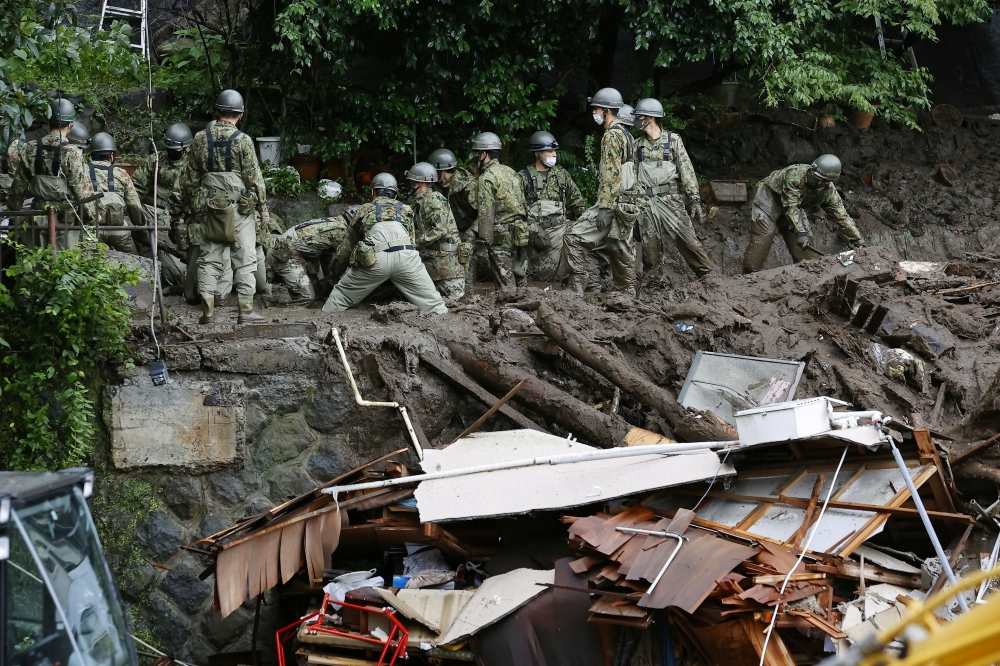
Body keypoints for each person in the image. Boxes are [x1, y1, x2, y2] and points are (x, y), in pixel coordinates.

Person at [174, 89, 269, 324]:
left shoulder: (199, 139)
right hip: (239, 210)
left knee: (209, 258)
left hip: (211, 209)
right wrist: (262, 207)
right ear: (240, 114)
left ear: (217, 111)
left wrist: (188, 206)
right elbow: (253, 177)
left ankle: (208, 311)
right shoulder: (243, 141)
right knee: (245, 258)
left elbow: (189, 179)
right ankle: (245, 311)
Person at [322, 173, 447, 314]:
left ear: (372, 192)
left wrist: (333, 277)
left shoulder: (364, 209)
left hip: (375, 261)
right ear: (395, 196)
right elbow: (412, 242)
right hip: (406, 259)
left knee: (340, 297)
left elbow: (346, 248)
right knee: (435, 305)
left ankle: (325, 321)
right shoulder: (406, 209)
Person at [562, 87, 640, 295]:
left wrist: (605, 208)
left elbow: (611, 175)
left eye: (596, 108)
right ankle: (626, 295)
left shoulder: (611, 136)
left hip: (613, 201)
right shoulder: (627, 135)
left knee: (573, 237)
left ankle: (576, 289)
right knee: (620, 247)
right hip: (627, 201)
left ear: (606, 111)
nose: (594, 113)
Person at [742, 154, 865, 273]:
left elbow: (841, 216)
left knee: (806, 253)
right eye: (813, 173)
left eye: (818, 178)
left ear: (827, 182)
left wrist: (858, 241)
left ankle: (808, 280)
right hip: (770, 197)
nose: (813, 176)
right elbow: (791, 206)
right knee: (763, 239)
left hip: (795, 205)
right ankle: (747, 278)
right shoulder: (795, 176)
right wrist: (801, 231)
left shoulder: (828, 193)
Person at [632, 97, 712, 277]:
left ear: (650, 118)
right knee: (650, 251)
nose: (636, 120)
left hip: (670, 199)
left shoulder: (673, 140)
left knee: (689, 242)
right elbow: (632, 177)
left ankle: (708, 277)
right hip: (646, 203)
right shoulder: (637, 146)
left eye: (639, 116)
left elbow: (686, 170)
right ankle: (653, 285)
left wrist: (694, 199)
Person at [8, 98, 97, 249]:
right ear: (71, 125)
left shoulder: (30, 148)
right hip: (64, 219)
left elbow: (18, 188)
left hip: (36, 216)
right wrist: (91, 218)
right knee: (65, 264)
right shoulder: (71, 152)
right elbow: (82, 192)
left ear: (48, 122)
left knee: (37, 262)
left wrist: (13, 212)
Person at [133, 123, 195, 289]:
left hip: (179, 218)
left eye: (175, 149)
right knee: (139, 228)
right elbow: (135, 189)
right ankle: (147, 266)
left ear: (186, 148)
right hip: (152, 210)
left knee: (177, 273)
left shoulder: (193, 165)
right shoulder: (155, 161)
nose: (171, 152)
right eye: (169, 148)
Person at [517, 131, 586, 281]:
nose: (553, 154)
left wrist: (584, 225)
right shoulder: (523, 177)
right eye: (549, 151)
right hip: (536, 235)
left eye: (554, 150)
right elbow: (516, 210)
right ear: (537, 153)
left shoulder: (561, 175)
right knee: (539, 277)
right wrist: (531, 228)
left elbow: (577, 202)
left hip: (561, 231)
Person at [470, 131, 529, 299]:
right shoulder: (511, 172)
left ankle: (512, 316)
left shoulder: (486, 178)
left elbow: (486, 214)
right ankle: (528, 310)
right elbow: (523, 204)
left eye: (476, 153)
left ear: (484, 154)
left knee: (506, 286)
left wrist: (482, 246)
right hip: (521, 232)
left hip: (501, 236)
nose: (475, 157)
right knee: (521, 278)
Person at [268, 206, 358, 303]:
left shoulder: (335, 222)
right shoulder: (342, 232)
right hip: (284, 255)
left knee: (318, 293)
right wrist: (332, 280)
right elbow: (341, 262)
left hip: (289, 250)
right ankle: (281, 316)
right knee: (306, 298)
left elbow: (329, 258)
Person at [406, 162, 467, 300]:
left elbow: (439, 229)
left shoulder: (434, 200)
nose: (408, 185)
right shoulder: (416, 202)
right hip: (430, 261)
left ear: (419, 184)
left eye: (411, 182)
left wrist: (416, 242)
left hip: (447, 266)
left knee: (456, 303)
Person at [429, 147, 479, 293]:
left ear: (441, 172)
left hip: (469, 230)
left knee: (465, 250)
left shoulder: (468, 187)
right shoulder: (437, 186)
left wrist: (471, 233)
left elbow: (485, 213)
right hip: (449, 231)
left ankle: (468, 290)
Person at [86, 132, 141, 254]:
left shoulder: (82, 170)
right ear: (111, 155)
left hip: (91, 230)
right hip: (118, 230)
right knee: (135, 262)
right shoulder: (121, 174)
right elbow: (135, 206)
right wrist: (140, 225)